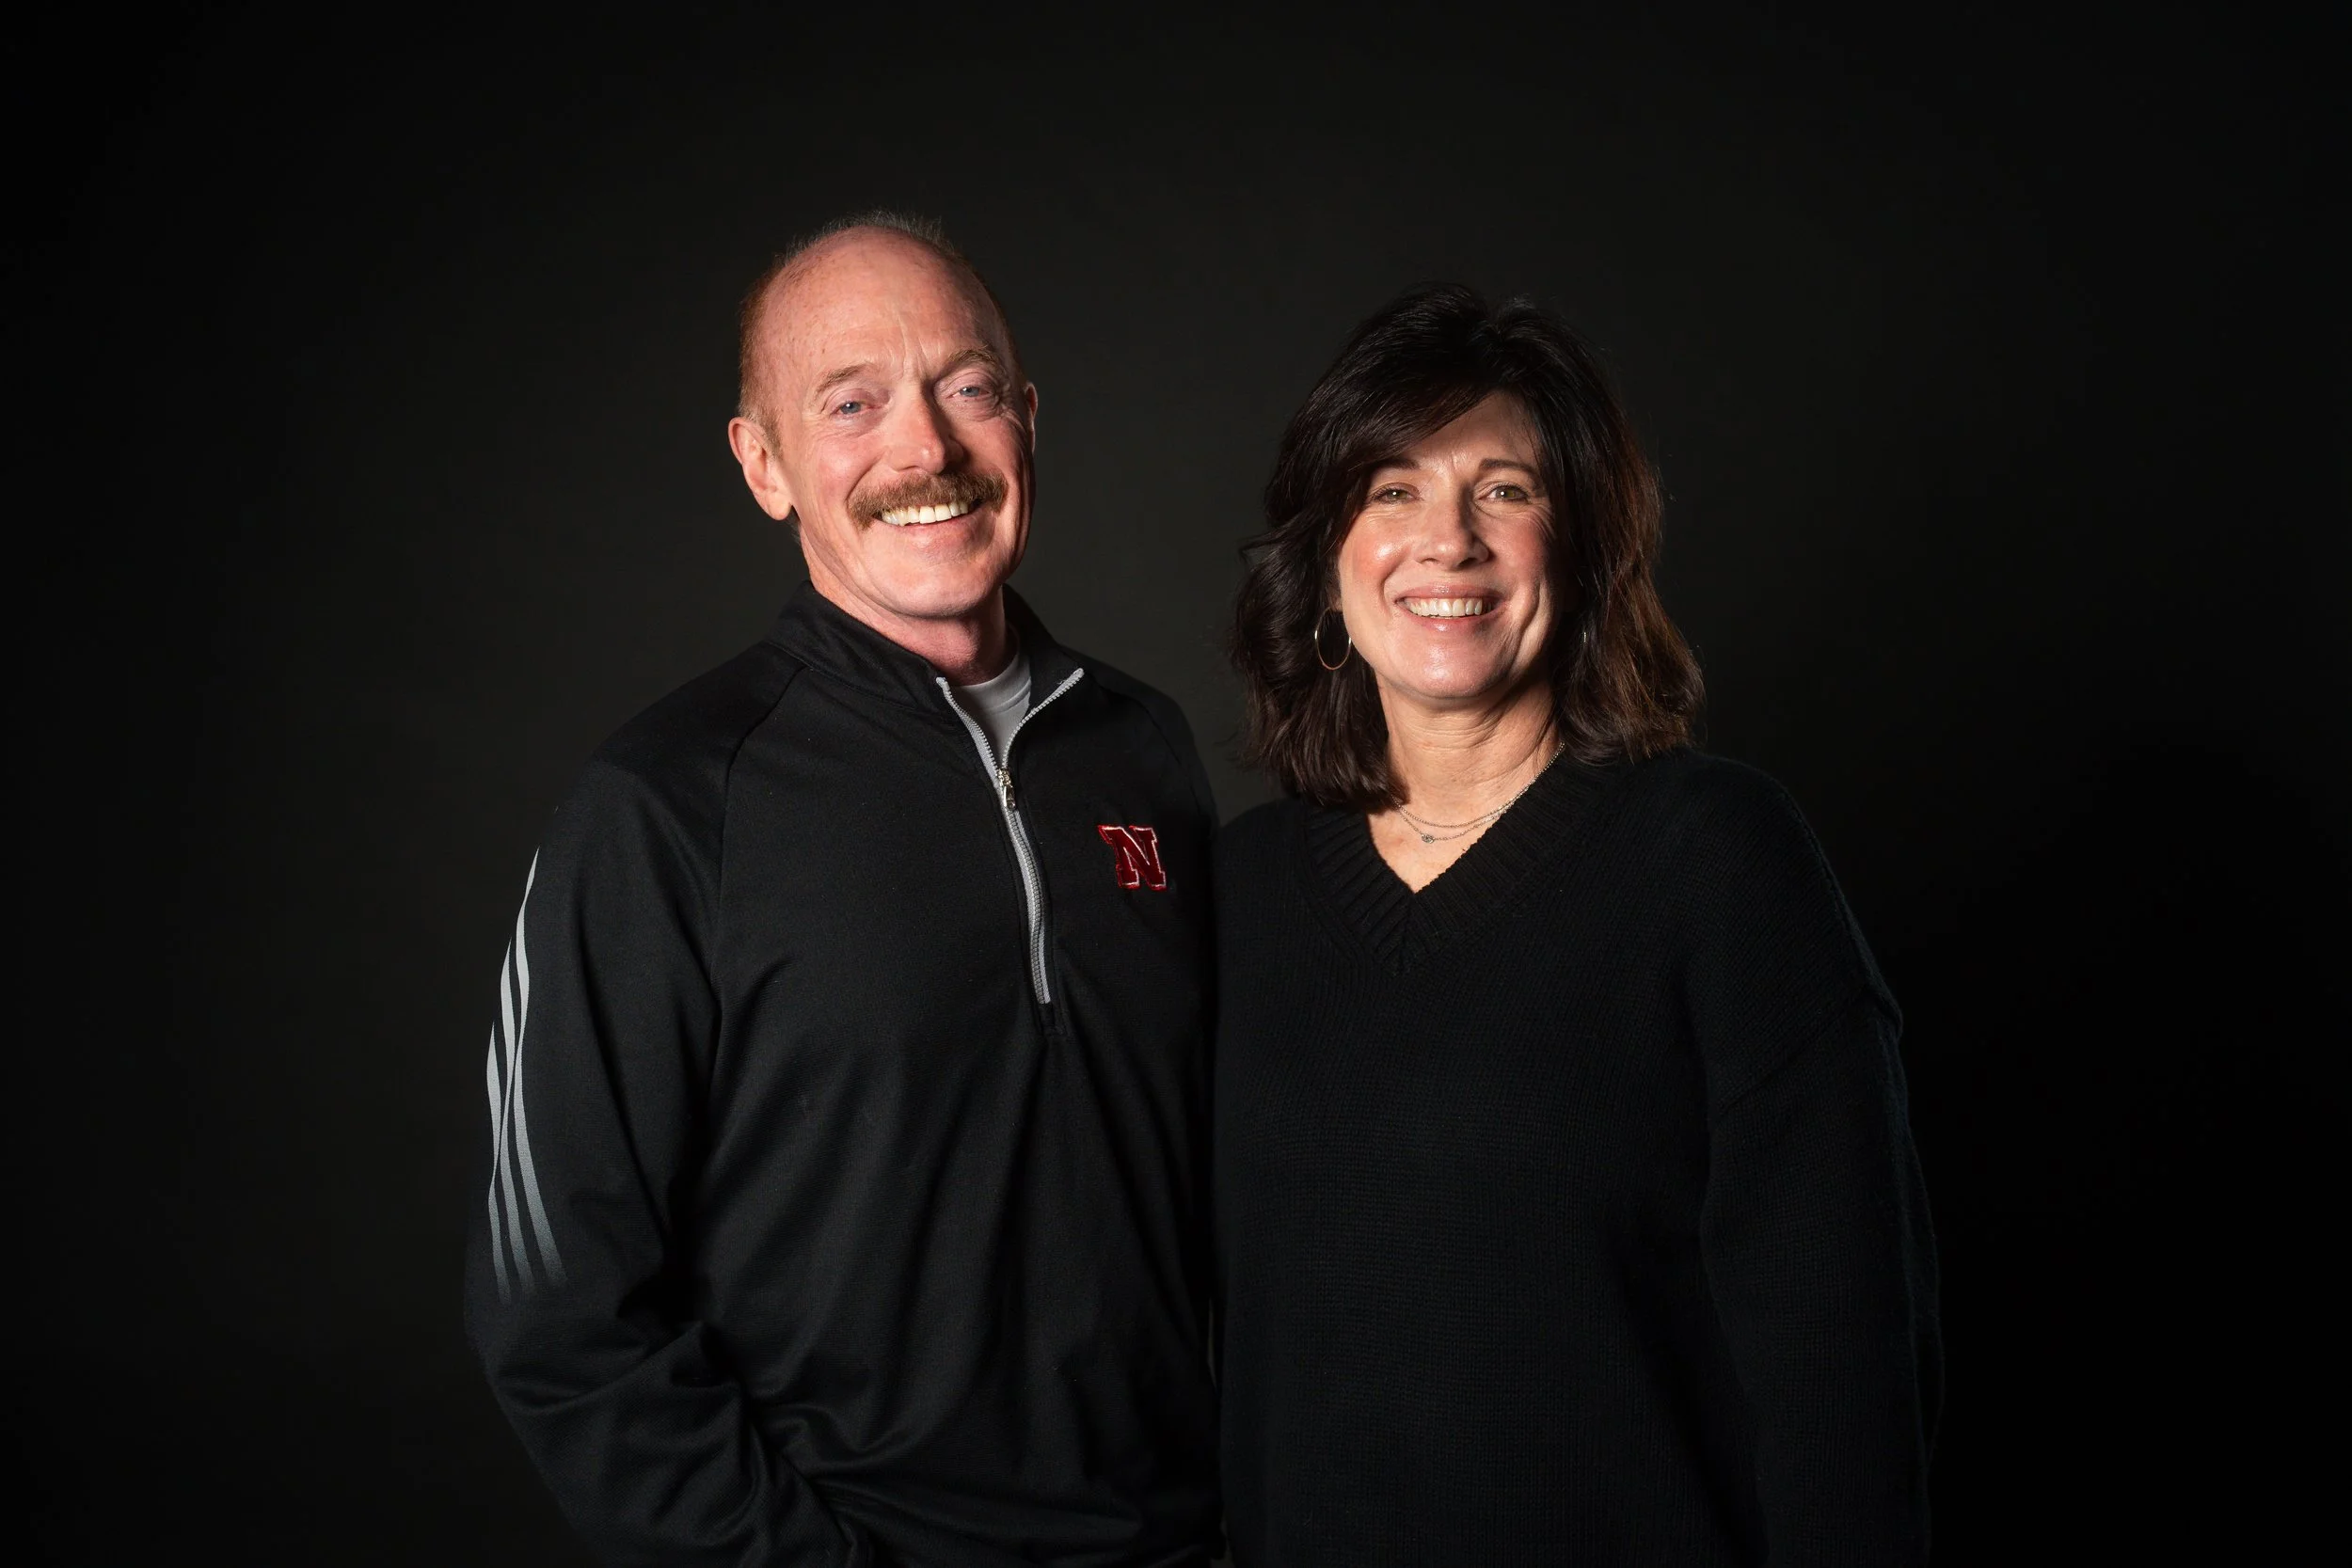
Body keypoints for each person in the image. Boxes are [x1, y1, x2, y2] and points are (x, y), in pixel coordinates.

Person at [464, 213, 1221, 1567]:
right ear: (764, 463)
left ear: (1028, 419)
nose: (925, 449)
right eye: (853, 402)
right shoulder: (664, 805)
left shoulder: (1144, 750)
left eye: (968, 388)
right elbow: (556, 1313)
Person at [1214, 284, 1942, 1565]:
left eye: (1504, 489)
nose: (1447, 540)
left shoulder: (1719, 863)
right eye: (1390, 487)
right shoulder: (1236, 895)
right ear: (1326, 562)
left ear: (1586, 548)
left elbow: (1845, 1368)